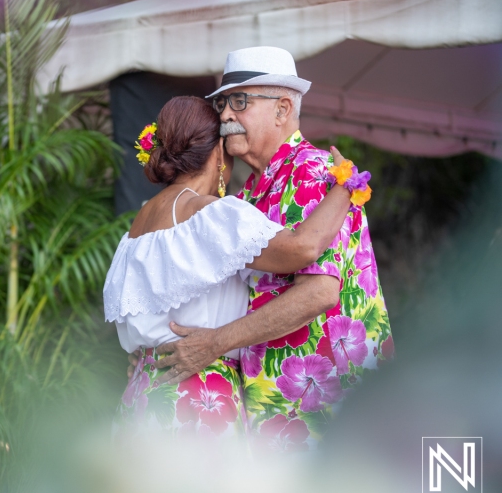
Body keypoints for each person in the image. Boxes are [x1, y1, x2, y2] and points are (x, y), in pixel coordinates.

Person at [153, 47, 392, 450]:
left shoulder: (316, 172)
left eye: (240, 101)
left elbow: (319, 291)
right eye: (222, 103)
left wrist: (213, 343)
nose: (225, 115)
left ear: (283, 110)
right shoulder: (249, 193)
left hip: (330, 411)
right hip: (277, 410)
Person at [105, 94, 363, 443]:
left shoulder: (138, 225)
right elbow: (302, 248)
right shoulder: (208, 212)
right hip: (198, 401)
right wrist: (347, 185)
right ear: (216, 156)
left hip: (143, 394)